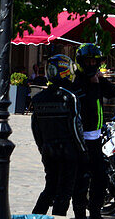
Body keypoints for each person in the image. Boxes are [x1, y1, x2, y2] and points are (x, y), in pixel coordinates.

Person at [30, 54, 83, 218]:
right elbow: (75, 127)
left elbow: (35, 128)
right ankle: (58, 216)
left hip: (48, 149)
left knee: (50, 187)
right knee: (64, 191)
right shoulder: (69, 97)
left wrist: (42, 147)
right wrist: (82, 150)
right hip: (68, 150)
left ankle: (36, 216)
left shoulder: (38, 98)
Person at [71, 43, 115, 219]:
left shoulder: (96, 79)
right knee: (82, 179)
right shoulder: (78, 82)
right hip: (82, 139)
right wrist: (94, 84)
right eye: (88, 61)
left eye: (94, 61)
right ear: (82, 62)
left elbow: (112, 92)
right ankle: (80, 212)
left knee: (101, 177)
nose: (91, 65)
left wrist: (100, 79)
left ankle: (95, 210)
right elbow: (89, 103)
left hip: (96, 137)